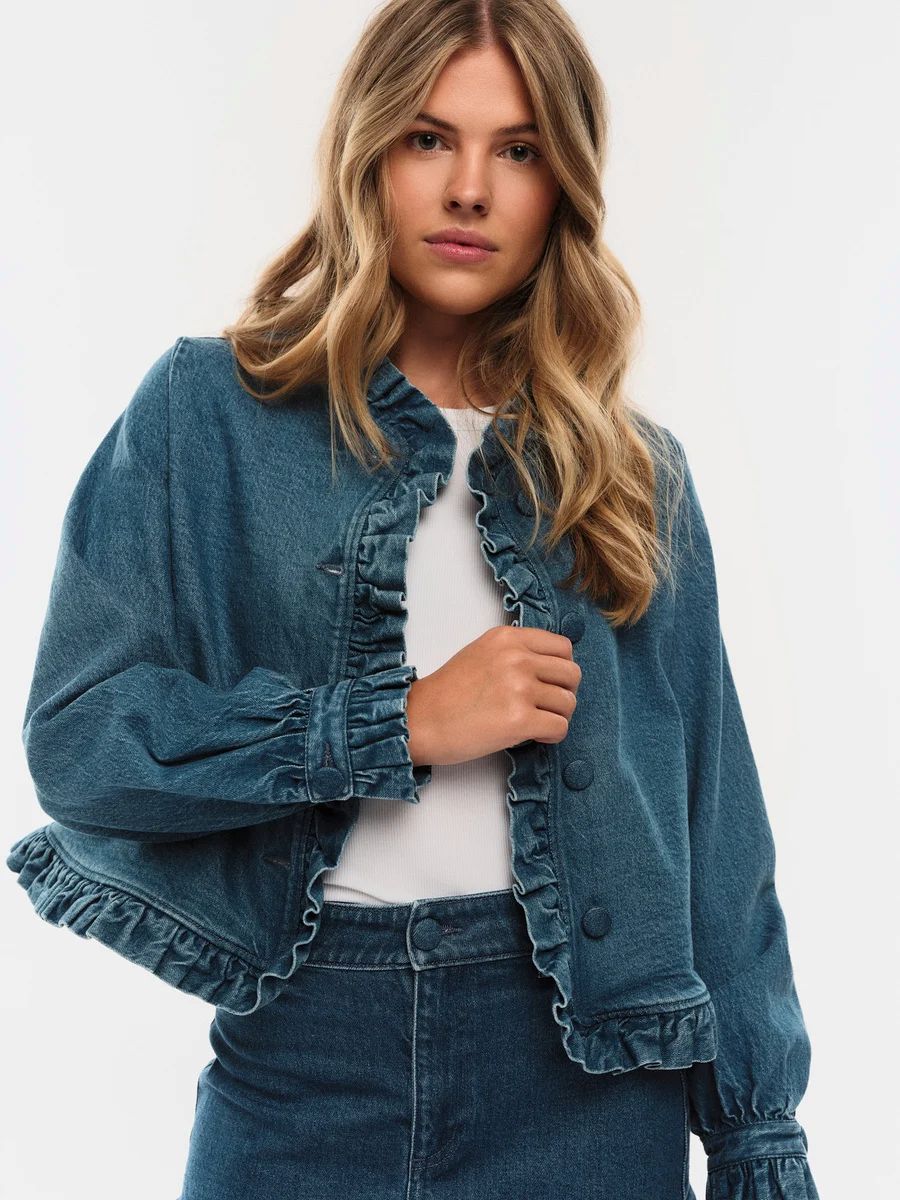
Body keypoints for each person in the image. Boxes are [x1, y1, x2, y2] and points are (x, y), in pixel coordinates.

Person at [7, 2, 819, 1198]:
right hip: (302, 1071)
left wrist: (758, 1140)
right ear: (367, 152)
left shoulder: (630, 472)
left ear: (563, 186)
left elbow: (716, 832)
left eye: (519, 149)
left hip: (588, 1093)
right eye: (429, 138)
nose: (470, 190)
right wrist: (398, 723)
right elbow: (82, 744)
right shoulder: (207, 414)